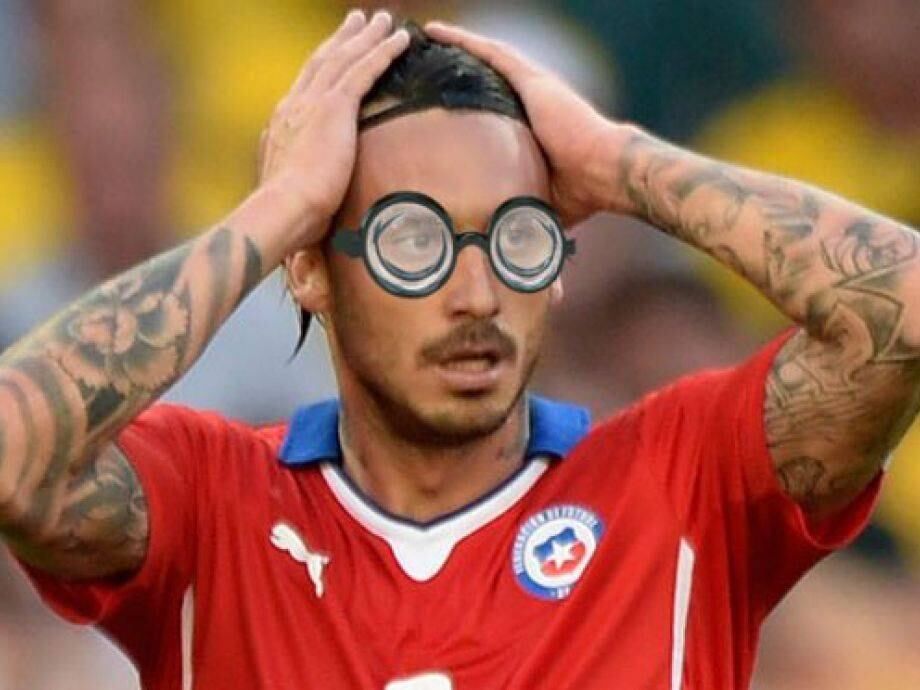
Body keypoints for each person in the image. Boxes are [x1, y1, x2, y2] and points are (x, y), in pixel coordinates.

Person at [0, 10, 917, 689]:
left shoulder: (682, 482)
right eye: (413, 241)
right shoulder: (211, 503)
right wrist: (274, 214)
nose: (475, 293)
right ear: (312, 270)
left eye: (518, 238)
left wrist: (619, 161)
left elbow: (904, 314)